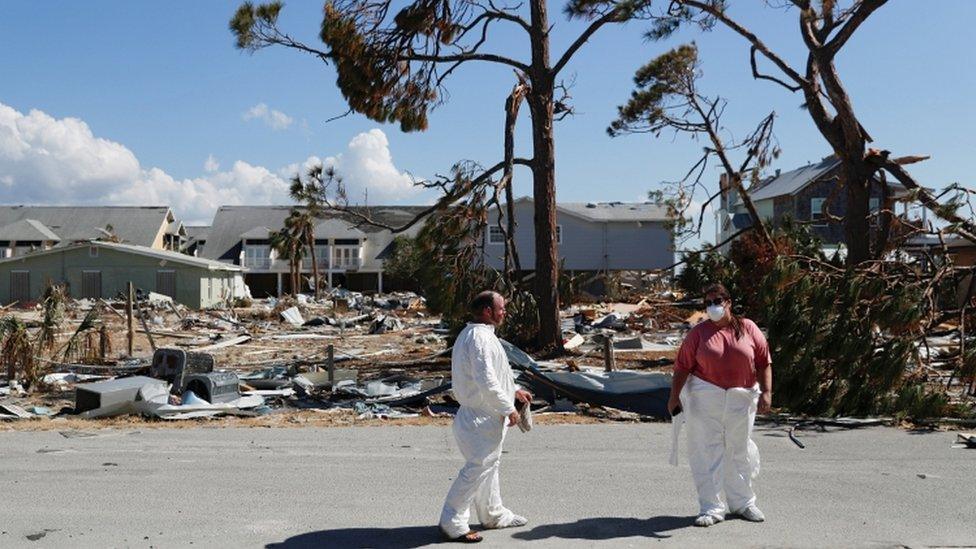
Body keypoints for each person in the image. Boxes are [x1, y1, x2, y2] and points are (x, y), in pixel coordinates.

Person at [668, 283, 773, 527]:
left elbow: (763, 361)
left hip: (741, 398)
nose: (712, 306)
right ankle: (711, 507)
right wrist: (674, 397)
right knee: (707, 451)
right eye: (708, 303)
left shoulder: (748, 328)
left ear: (729, 302)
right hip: (706, 398)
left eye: (717, 301)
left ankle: (744, 503)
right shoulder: (698, 333)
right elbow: (682, 367)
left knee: (739, 449)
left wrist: (767, 392)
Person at [439, 290, 533, 543]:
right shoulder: (478, 338)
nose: (505, 312)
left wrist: (514, 390)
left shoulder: (478, 335)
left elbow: (493, 374)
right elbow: (485, 380)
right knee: (477, 468)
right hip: (479, 417)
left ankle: (493, 514)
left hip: (484, 416)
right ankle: (452, 521)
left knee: (489, 467)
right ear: (488, 311)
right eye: (501, 308)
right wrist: (508, 407)